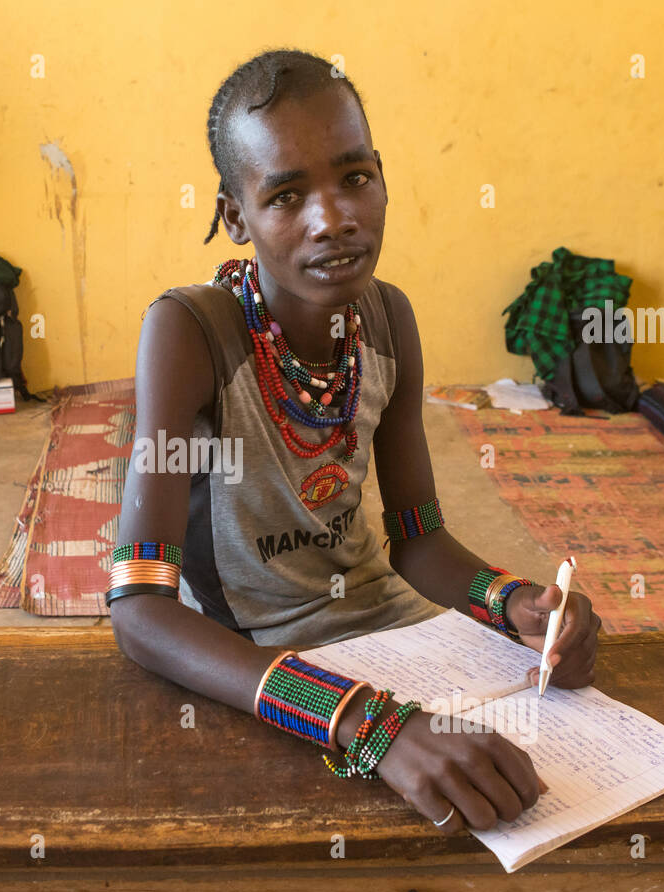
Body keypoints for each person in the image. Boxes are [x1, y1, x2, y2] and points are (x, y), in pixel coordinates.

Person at [107, 48, 601, 835]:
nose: (332, 217)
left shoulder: (388, 319)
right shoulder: (188, 334)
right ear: (235, 216)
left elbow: (419, 540)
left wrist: (515, 606)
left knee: (550, 791)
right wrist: (370, 724)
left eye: (355, 178)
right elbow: (138, 608)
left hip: (394, 632)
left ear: (382, 177)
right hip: (253, 659)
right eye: (286, 194)